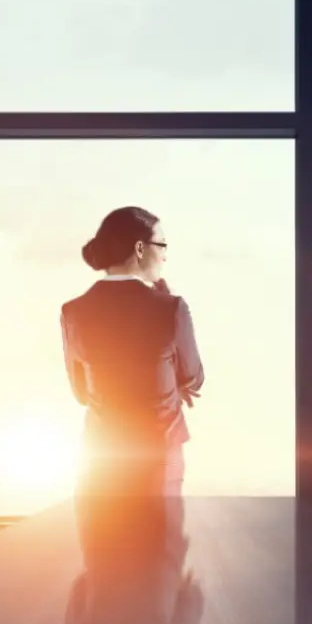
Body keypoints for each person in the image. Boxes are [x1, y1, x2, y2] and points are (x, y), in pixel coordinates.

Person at [60, 206, 205, 505]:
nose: (165, 255)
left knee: (104, 532)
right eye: (161, 244)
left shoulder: (73, 311)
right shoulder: (171, 308)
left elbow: (81, 393)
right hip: (159, 457)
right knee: (160, 532)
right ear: (140, 249)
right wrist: (170, 384)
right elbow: (194, 377)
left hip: (101, 458)